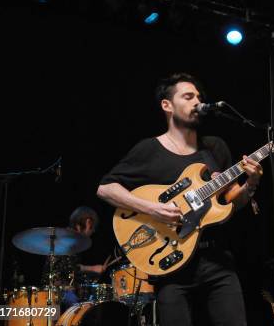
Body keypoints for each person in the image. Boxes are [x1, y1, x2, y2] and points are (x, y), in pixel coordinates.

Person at [97, 72, 262, 326]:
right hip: (171, 266)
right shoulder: (149, 149)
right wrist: (153, 209)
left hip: (217, 262)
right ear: (167, 105)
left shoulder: (215, 148)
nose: (197, 101)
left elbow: (230, 203)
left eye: (199, 96)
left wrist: (251, 184)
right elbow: (106, 189)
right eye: (188, 96)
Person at [41, 206, 108, 307]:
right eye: (92, 227)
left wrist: (92, 270)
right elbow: (66, 269)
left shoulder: (72, 240)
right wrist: (93, 268)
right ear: (88, 222)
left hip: (63, 290)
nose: (93, 231)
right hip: (55, 291)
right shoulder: (67, 239)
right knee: (78, 306)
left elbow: (71, 267)